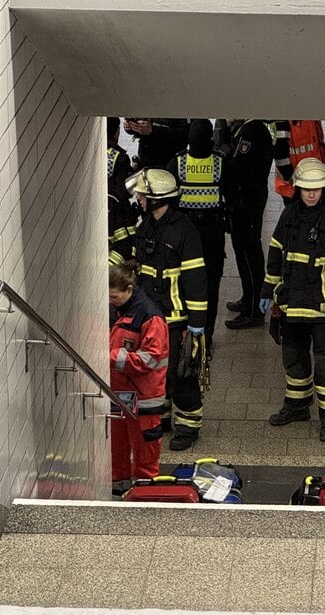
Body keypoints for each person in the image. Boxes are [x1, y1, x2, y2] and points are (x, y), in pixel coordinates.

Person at [259, 158, 325, 442]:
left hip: (324, 309)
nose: (312, 194)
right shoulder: (288, 216)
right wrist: (268, 292)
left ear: (324, 188)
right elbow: (276, 257)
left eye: (316, 189)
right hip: (292, 305)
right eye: (306, 189)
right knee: (293, 357)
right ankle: (297, 406)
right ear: (297, 188)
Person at [118, 169, 208, 451]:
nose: (139, 198)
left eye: (143, 194)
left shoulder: (184, 231)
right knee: (155, 369)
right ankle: (166, 416)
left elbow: (196, 280)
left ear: (157, 198)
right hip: (152, 317)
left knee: (181, 374)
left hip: (177, 318)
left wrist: (197, 323)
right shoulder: (146, 226)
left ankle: (189, 425)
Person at [109, 261, 169, 496]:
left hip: (144, 398)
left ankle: (146, 499)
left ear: (129, 289)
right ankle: (118, 493)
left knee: (146, 454)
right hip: (120, 393)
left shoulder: (150, 318)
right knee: (118, 450)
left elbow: (150, 359)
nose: (111, 302)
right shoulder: (121, 310)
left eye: (115, 297)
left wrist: (110, 357)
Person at [167, 119, 227, 347]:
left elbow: (170, 200)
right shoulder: (220, 163)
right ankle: (207, 334)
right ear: (211, 139)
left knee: (184, 282)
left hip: (185, 234)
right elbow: (231, 195)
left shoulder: (178, 162)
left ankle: (185, 332)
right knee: (211, 285)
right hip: (212, 233)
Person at [222, 119, 275, 329]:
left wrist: (224, 152)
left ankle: (254, 310)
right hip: (242, 202)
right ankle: (248, 298)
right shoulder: (244, 128)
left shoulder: (253, 130)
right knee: (242, 253)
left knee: (249, 254)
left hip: (248, 203)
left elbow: (238, 169)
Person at [273, 120, 325, 205]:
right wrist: (294, 183)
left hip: (313, 181)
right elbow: (280, 154)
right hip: (295, 188)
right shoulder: (283, 120)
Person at [107, 117, 139, 265]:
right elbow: (124, 190)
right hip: (118, 212)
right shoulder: (119, 157)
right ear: (116, 132)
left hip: (103, 208)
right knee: (125, 243)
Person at [123, 118, 190, 169]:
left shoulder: (179, 107)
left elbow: (184, 135)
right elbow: (140, 130)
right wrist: (131, 127)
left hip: (170, 160)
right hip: (146, 159)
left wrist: (152, 130)